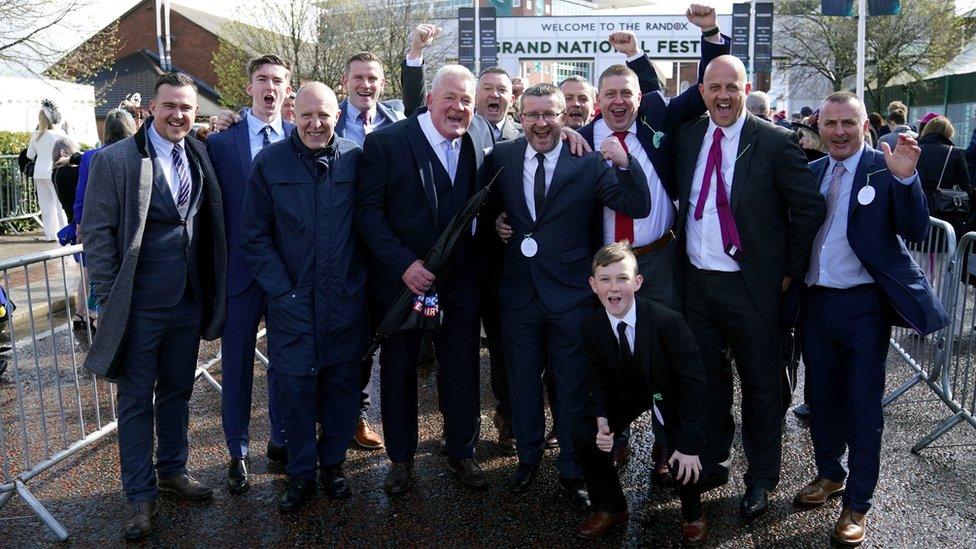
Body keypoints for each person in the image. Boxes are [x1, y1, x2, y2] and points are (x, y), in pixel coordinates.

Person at [573, 5, 729, 478]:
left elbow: (708, 90)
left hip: (658, 262)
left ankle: (667, 445)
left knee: (665, 355)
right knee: (607, 355)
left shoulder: (659, 123)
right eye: (610, 95)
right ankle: (612, 441)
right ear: (598, 99)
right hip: (604, 268)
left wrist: (710, 33)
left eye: (627, 93)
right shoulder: (578, 140)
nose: (618, 102)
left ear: (640, 97)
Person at [672, 54, 825, 521]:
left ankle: (760, 479)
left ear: (746, 89)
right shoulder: (689, 136)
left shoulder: (776, 143)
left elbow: (810, 209)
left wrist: (786, 271)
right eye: (714, 87)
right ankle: (715, 460)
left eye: (731, 87)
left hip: (753, 290)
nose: (722, 96)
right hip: (698, 285)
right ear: (702, 92)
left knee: (762, 391)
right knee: (709, 381)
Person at [794, 91, 949, 546]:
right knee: (820, 397)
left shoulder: (885, 169)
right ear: (818, 128)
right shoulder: (813, 172)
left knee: (863, 406)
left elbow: (917, 231)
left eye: (848, 122)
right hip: (815, 303)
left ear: (864, 125)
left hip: (862, 306)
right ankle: (830, 474)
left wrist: (906, 181)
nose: (839, 131)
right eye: (830, 123)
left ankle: (857, 503)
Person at [489, 83, 650, 508]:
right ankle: (527, 458)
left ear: (567, 116)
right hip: (520, 293)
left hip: (571, 297)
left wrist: (625, 162)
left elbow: (638, 204)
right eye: (532, 114)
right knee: (522, 382)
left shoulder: (589, 161)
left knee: (572, 386)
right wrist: (495, 224)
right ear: (519, 117)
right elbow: (483, 207)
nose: (541, 123)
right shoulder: (502, 158)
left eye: (550, 114)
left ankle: (573, 469)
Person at [82, 72, 227, 540]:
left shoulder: (200, 154)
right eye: (170, 106)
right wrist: (108, 297)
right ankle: (140, 499)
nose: (179, 115)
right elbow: (97, 233)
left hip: (187, 300)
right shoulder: (116, 160)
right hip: (139, 306)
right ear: (150, 107)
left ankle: (172, 470)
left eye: (187, 108)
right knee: (135, 402)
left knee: (177, 393)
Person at [355, 64, 495, 495]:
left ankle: (462, 452)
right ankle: (401, 460)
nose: (459, 108)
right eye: (450, 98)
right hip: (402, 283)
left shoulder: (478, 138)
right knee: (398, 372)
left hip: (459, 282)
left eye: (466, 101)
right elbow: (368, 213)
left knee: (462, 367)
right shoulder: (386, 143)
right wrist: (404, 265)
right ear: (429, 99)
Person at [240, 82, 367, 512]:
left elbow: (371, 225)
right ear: (293, 113)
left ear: (337, 116)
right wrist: (282, 290)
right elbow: (254, 235)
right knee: (294, 391)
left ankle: (333, 466)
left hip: (345, 302)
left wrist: (359, 282)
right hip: (292, 305)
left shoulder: (354, 158)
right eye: (308, 115)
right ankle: (300, 473)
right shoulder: (269, 162)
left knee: (341, 389)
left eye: (325, 115)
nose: (316, 124)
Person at [573, 243, 717, 544]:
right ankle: (611, 507)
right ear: (593, 285)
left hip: (669, 394)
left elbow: (695, 387)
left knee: (682, 449)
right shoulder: (591, 326)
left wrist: (688, 445)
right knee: (584, 432)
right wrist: (602, 421)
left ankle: (693, 513)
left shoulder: (669, 322)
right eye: (605, 279)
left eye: (622, 278)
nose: (614, 288)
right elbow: (597, 379)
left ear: (637, 282)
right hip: (626, 393)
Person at [206, 54, 294, 495]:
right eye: (262, 79)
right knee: (236, 366)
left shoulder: (300, 136)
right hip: (239, 275)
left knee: (285, 362)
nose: (270, 87)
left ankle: (280, 439)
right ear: (249, 87)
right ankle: (237, 452)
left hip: (286, 275)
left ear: (287, 88)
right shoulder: (220, 142)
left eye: (278, 80)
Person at [66, 109, 138, 332]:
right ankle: (95, 315)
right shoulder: (131, 153)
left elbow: (82, 194)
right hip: (119, 225)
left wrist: (80, 223)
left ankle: (82, 312)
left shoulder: (91, 156)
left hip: (96, 224)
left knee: (89, 271)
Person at [917, 115, 972, 238]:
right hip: (945, 214)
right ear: (948, 132)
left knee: (916, 253)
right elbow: (966, 187)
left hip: (917, 210)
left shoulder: (915, 150)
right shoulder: (954, 153)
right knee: (942, 253)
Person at [336, 51, 406, 148]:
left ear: (382, 84)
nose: (365, 85)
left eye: (372, 78)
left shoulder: (399, 119)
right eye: (358, 77)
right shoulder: (330, 122)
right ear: (345, 81)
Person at [26, 100, 69, 241]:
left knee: (46, 205)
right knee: (60, 203)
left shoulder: (37, 135)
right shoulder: (59, 133)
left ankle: (50, 234)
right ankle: (64, 232)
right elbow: (73, 147)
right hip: (54, 171)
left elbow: (29, 155)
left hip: (39, 172)